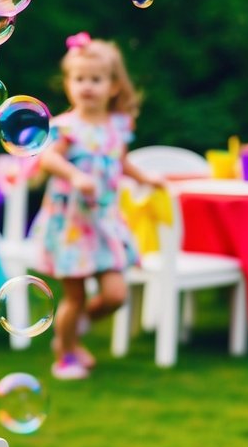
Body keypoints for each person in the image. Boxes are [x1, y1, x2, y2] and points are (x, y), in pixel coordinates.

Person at [32, 32, 162, 380]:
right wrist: (74, 175)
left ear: (114, 86)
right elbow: (48, 159)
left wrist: (144, 178)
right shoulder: (65, 128)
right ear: (68, 84)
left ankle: (73, 329)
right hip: (72, 225)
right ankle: (65, 354)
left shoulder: (118, 126)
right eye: (79, 79)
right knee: (73, 297)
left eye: (95, 79)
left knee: (116, 295)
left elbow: (120, 160)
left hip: (104, 222)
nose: (86, 86)